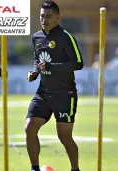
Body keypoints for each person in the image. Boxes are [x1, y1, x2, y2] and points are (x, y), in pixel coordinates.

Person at [25, 1, 83, 171]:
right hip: (43, 92)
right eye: (42, 16)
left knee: (64, 136)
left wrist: (52, 67)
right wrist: (35, 72)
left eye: (49, 16)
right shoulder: (36, 37)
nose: (44, 19)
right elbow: (38, 59)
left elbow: (78, 63)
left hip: (65, 94)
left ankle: (75, 169)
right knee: (30, 126)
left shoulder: (66, 37)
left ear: (58, 16)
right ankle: (34, 168)